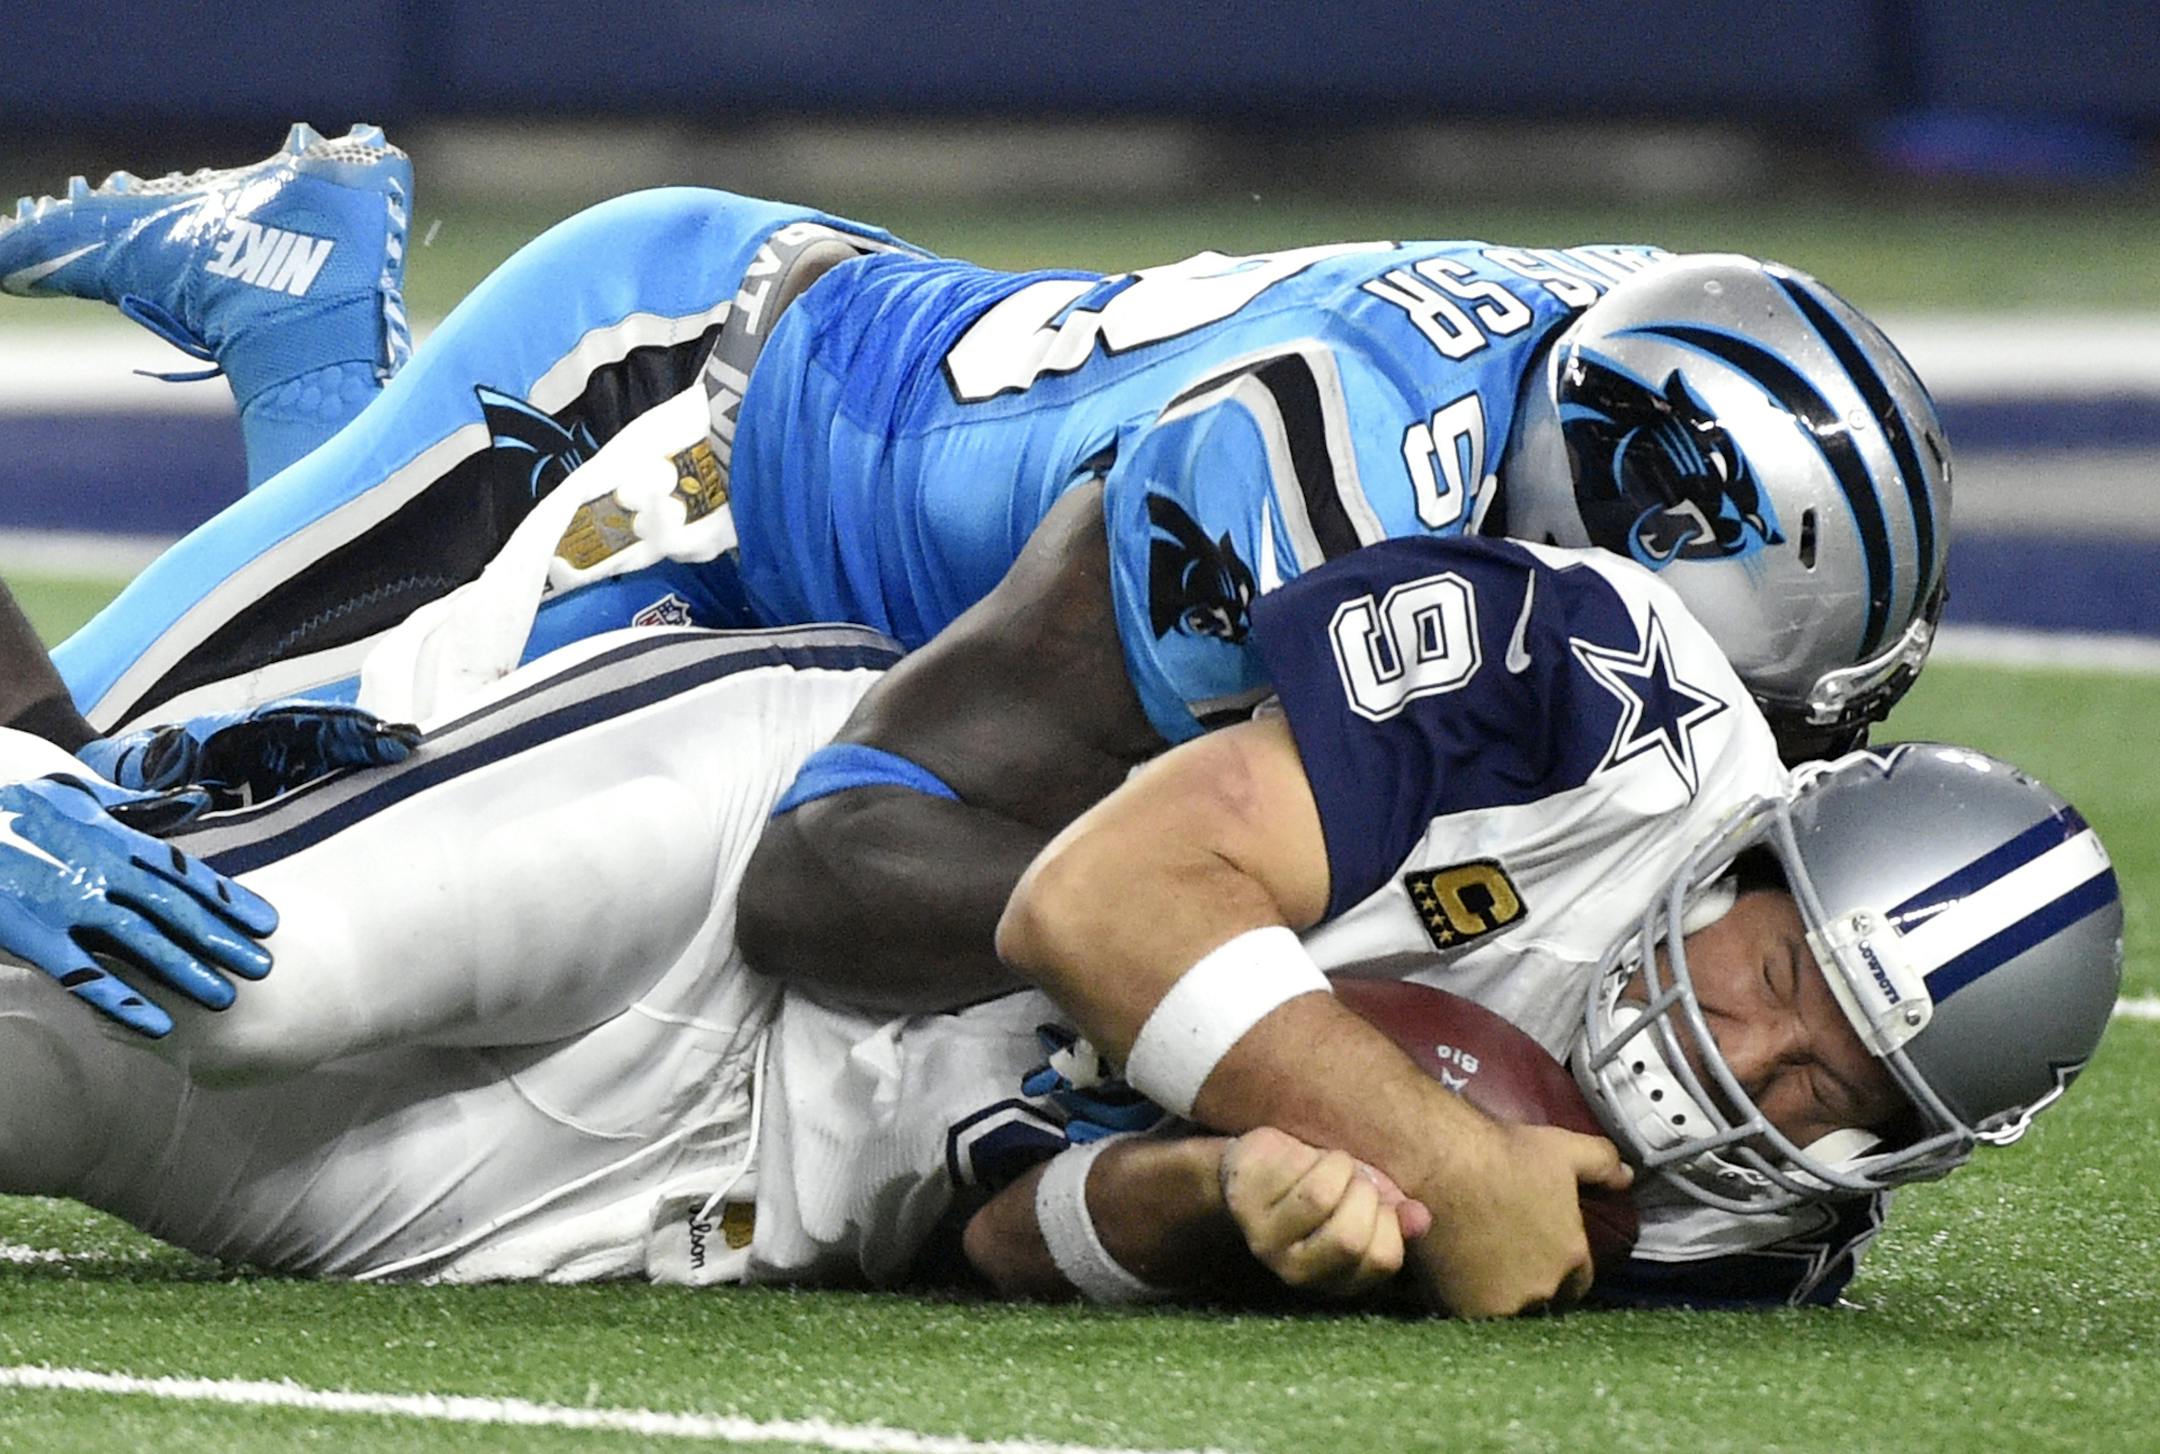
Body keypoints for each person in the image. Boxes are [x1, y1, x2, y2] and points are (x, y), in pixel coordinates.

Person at [0, 535, 2121, 1314]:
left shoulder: (1725, 1245)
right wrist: (1445, 1151)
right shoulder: (1597, 683)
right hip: (755, 880)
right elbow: (1105, 891)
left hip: (743, 1208)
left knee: (45, 1086)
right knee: (243, 983)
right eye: (1786, 980)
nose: (1755, 1064)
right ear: (1760, 858)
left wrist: (1230, 1195)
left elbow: (1003, 1225)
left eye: (1840, 1085)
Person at [7, 126, 1947, 769]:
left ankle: (309, 333)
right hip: (671, 417)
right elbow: (1125, 870)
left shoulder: (1631, 324)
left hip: (830, 505)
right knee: (98, 799)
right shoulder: (1335, 481)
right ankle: (315, 322)